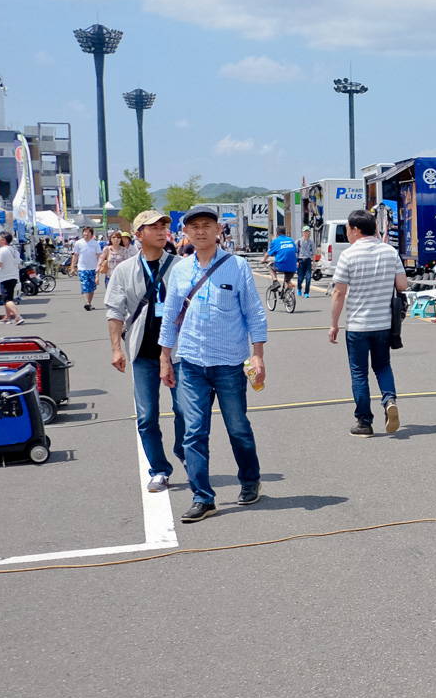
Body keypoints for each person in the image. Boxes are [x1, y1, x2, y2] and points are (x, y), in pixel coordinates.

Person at [159, 204, 268, 523]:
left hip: (231, 364)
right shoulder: (179, 270)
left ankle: (250, 480)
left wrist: (257, 353)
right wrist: (165, 357)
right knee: (193, 432)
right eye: (194, 226)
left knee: (238, 428)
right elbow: (169, 318)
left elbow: (254, 312)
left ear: (218, 230)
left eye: (207, 225)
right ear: (185, 233)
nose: (201, 231)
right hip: (191, 364)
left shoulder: (236, 266)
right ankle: (203, 497)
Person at [105, 210, 186, 493]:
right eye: (154, 227)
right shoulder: (124, 271)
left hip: (178, 353)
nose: (163, 231)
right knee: (147, 415)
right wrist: (117, 349)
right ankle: (159, 470)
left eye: (165, 226)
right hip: (142, 352)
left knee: (185, 410)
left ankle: (183, 449)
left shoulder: (180, 266)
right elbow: (115, 311)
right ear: (138, 235)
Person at [328, 209, 408, 437]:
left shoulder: (348, 255)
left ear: (355, 229)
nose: (347, 233)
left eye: (347, 229)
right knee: (382, 366)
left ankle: (364, 422)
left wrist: (333, 324)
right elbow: (402, 285)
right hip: (383, 325)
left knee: (359, 373)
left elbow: (338, 293)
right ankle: (389, 399)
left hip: (357, 326)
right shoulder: (389, 251)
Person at [0, 231, 25, 326]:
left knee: (7, 300)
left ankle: (18, 316)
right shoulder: (14, 250)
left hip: (5, 277)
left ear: (3, 240)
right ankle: (7, 317)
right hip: (14, 276)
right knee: (8, 298)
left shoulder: (2, 250)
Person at [71, 226, 104, 310]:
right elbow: (75, 256)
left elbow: (99, 256)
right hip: (82, 268)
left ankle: (89, 302)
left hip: (93, 267)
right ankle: (87, 302)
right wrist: (72, 267)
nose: (86, 234)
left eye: (88, 232)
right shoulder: (78, 243)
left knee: (92, 286)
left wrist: (100, 266)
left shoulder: (95, 243)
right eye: (85, 232)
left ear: (91, 234)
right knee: (84, 284)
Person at [267, 228, 297, 292]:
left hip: (281, 266)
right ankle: (288, 294)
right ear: (285, 233)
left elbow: (268, 254)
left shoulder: (276, 241)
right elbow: (295, 252)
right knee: (287, 281)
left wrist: (263, 260)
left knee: (270, 266)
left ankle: (275, 281)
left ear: (276, 234)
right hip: (293, 266)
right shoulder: (290, 240)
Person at [296, 229, 315, 297]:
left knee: (308, 277)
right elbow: (296, 252)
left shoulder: (311, 242)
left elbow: (313, 253)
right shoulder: (298, 241)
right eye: (305, 232)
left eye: (308, 232)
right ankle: (299, 288)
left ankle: (306, 292)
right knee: (300, 277)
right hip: (300, 260)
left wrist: (313, 263)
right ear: (302, 233)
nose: (306, 233)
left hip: (308, 260)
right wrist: (296, 261)